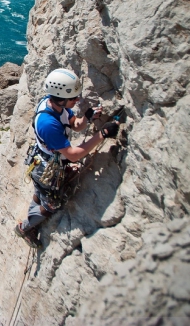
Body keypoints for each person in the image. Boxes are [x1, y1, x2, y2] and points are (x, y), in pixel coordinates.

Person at [15, 68, 119, 248]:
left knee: (41, 192)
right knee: (53, 203)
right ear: (61, 98)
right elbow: (73, 155)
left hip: (42, 161)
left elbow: (75, 125)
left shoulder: (55, 105)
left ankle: (33, 211)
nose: (78, 100)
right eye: (74, 98)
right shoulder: (48, 123)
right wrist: (102, 134)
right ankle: (25, 228)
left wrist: (87, 117)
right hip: (47, 167)